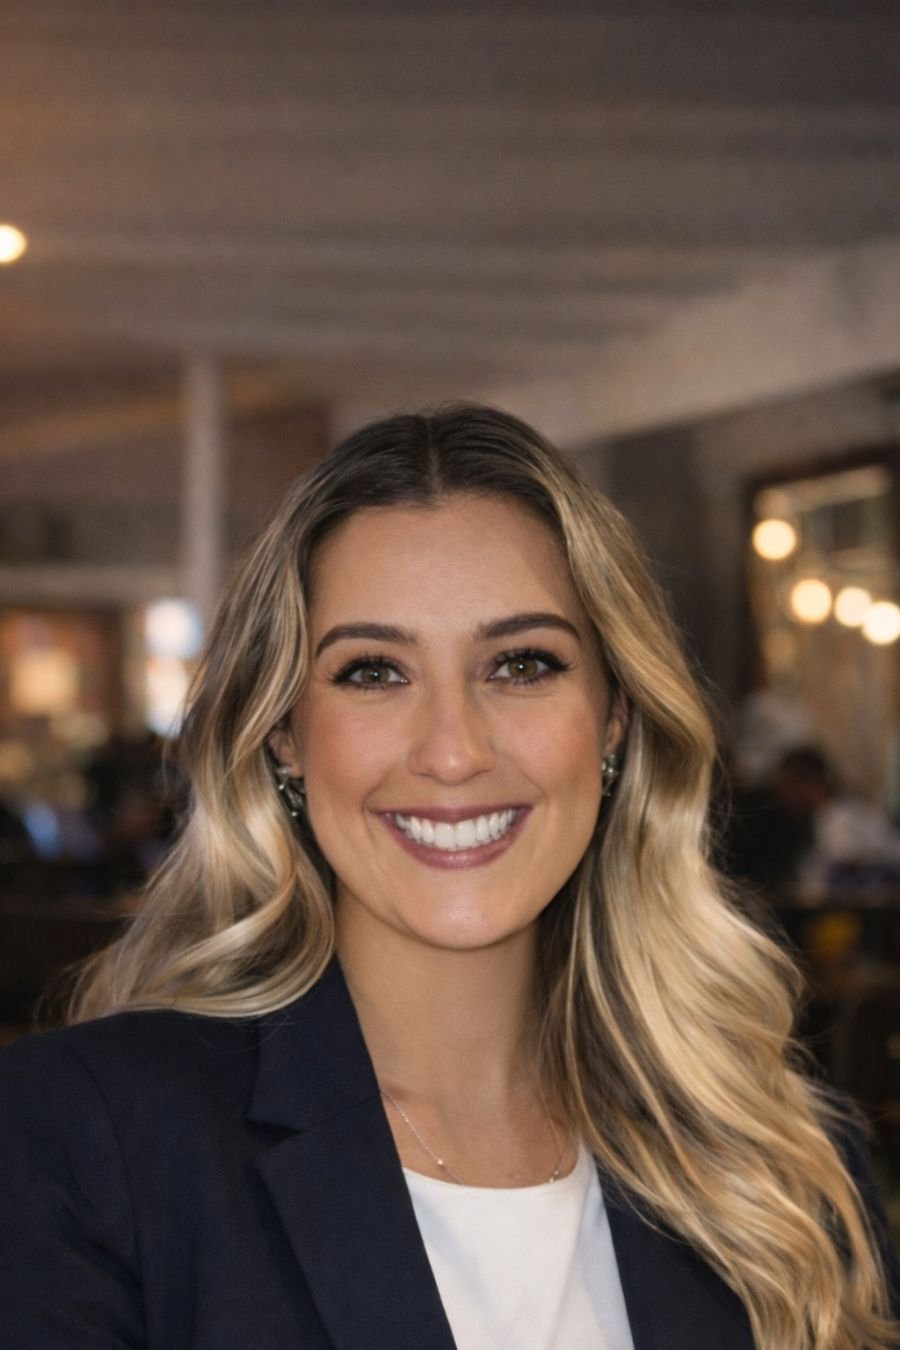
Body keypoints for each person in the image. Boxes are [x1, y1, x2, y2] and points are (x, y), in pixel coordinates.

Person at [0, 405, 897, 1350]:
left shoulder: (778, 1162)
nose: (454, 751)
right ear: (283, 737)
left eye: (520, 663)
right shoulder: (89, 1138)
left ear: (617, 717)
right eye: (373, 673)